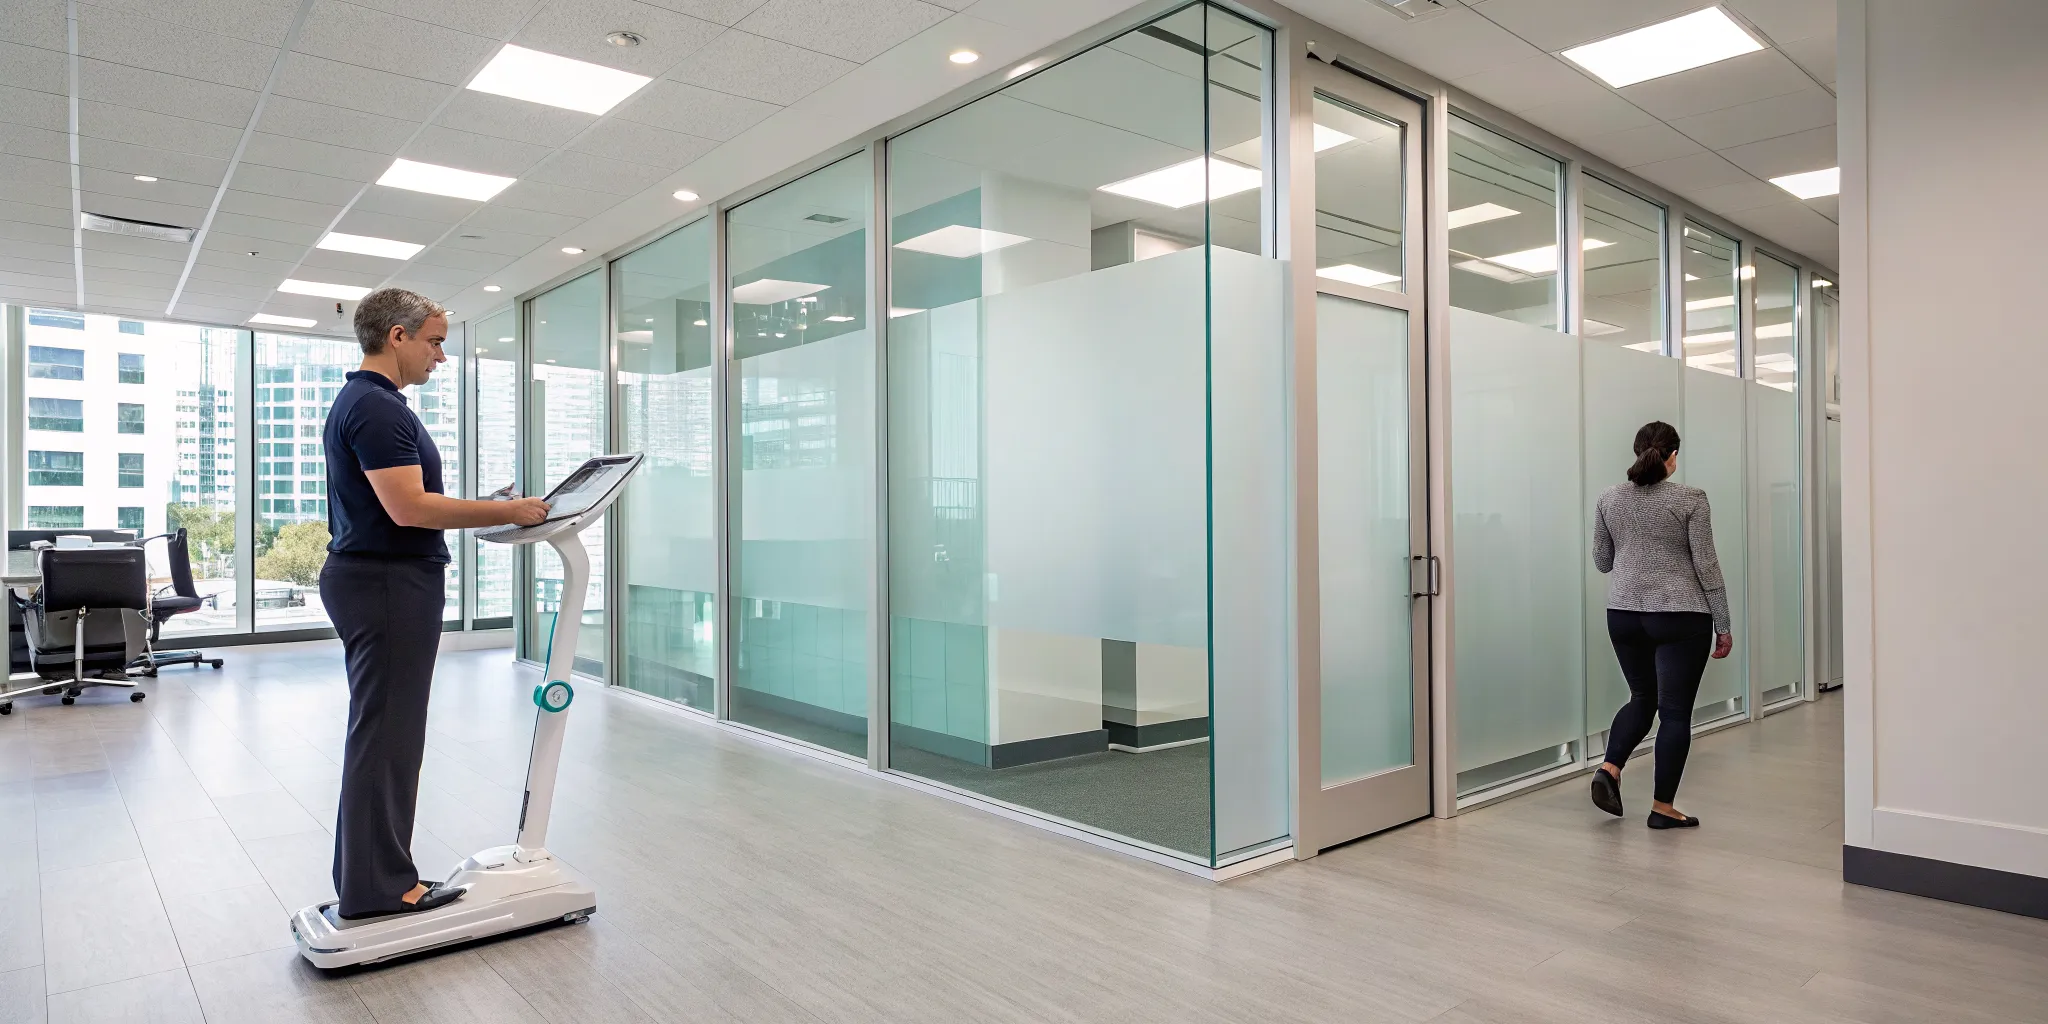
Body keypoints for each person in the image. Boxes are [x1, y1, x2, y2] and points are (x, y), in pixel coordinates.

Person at [325, 288, 549, 919]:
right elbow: (408, 507)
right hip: (387, 583)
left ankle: (368, 876)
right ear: (397, 336)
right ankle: (380, 887)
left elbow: (406, 501)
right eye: (435, 341)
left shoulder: (372, 403)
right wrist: (508, 510)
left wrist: (486, 504)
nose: (441, 357)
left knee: (383, 735)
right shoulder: (375, 408)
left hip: (380, 578)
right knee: (388, 737)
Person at [1588, 421, 1732, 830]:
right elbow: (1707, 566)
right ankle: (1662, 808)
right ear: (1672, 457)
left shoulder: (1609, 498)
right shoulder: (1691, 499)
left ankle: (1610, 770)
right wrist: (1723, 624)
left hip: (1623, 615)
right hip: (1680, 617)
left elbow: (1602, 562)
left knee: (1641, 697)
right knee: (1674, 714)